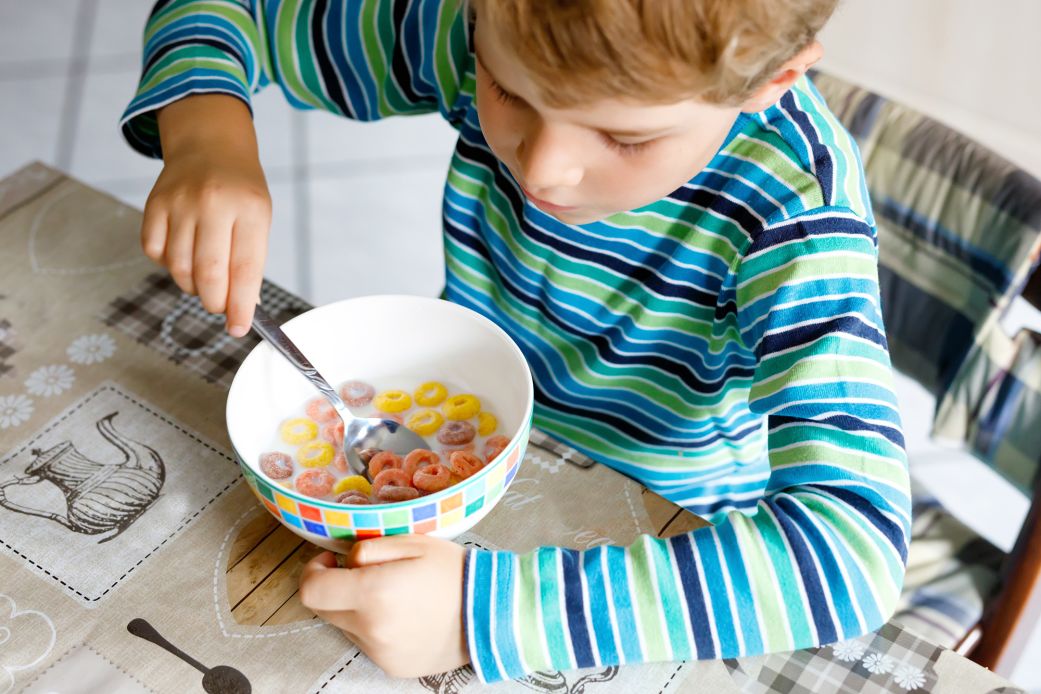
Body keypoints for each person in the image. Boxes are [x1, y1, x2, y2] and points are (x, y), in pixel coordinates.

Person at [121, 0, 911, 683]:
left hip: (656, 547)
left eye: (623, 137)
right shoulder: (472, 25)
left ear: (770, 82)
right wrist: (206, 135)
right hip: (470, 475)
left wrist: (483, 614)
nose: (544, 168)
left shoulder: (796, 211)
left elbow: (850, 556)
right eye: (507, 91)